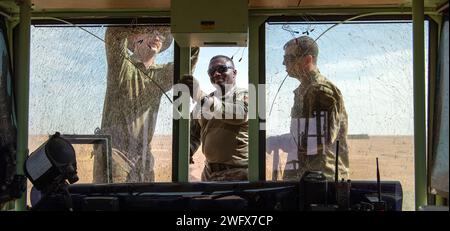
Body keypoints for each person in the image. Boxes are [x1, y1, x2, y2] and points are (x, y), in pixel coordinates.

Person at [93, 26, 199, 183]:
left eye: (162, 35)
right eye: (150, 32)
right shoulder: (121, 67)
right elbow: (114, 34)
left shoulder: (161, 75)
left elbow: (189, 58)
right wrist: (138, 24)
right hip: (114, 154)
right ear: (135, 37)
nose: (157, 37)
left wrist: (185, 22)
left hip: (143, 159)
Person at [281, 36, 349, 181]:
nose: (284, 63)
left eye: (289, 59)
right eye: (284, 59)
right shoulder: (304, 90)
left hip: (320, 180)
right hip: (308, 177)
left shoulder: (319, 90)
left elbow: (318, 140)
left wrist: (280, 141)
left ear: (307, 60)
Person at [180, 55, 249, 181]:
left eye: (222, 69)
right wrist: (187, 151)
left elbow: (241, 114)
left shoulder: (245, 95)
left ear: (234, 73)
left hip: (238, 174)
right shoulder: (204, 101)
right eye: (211, 72)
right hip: (208, 173)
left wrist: (201, 97)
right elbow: (194, 134)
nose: (216, 74)